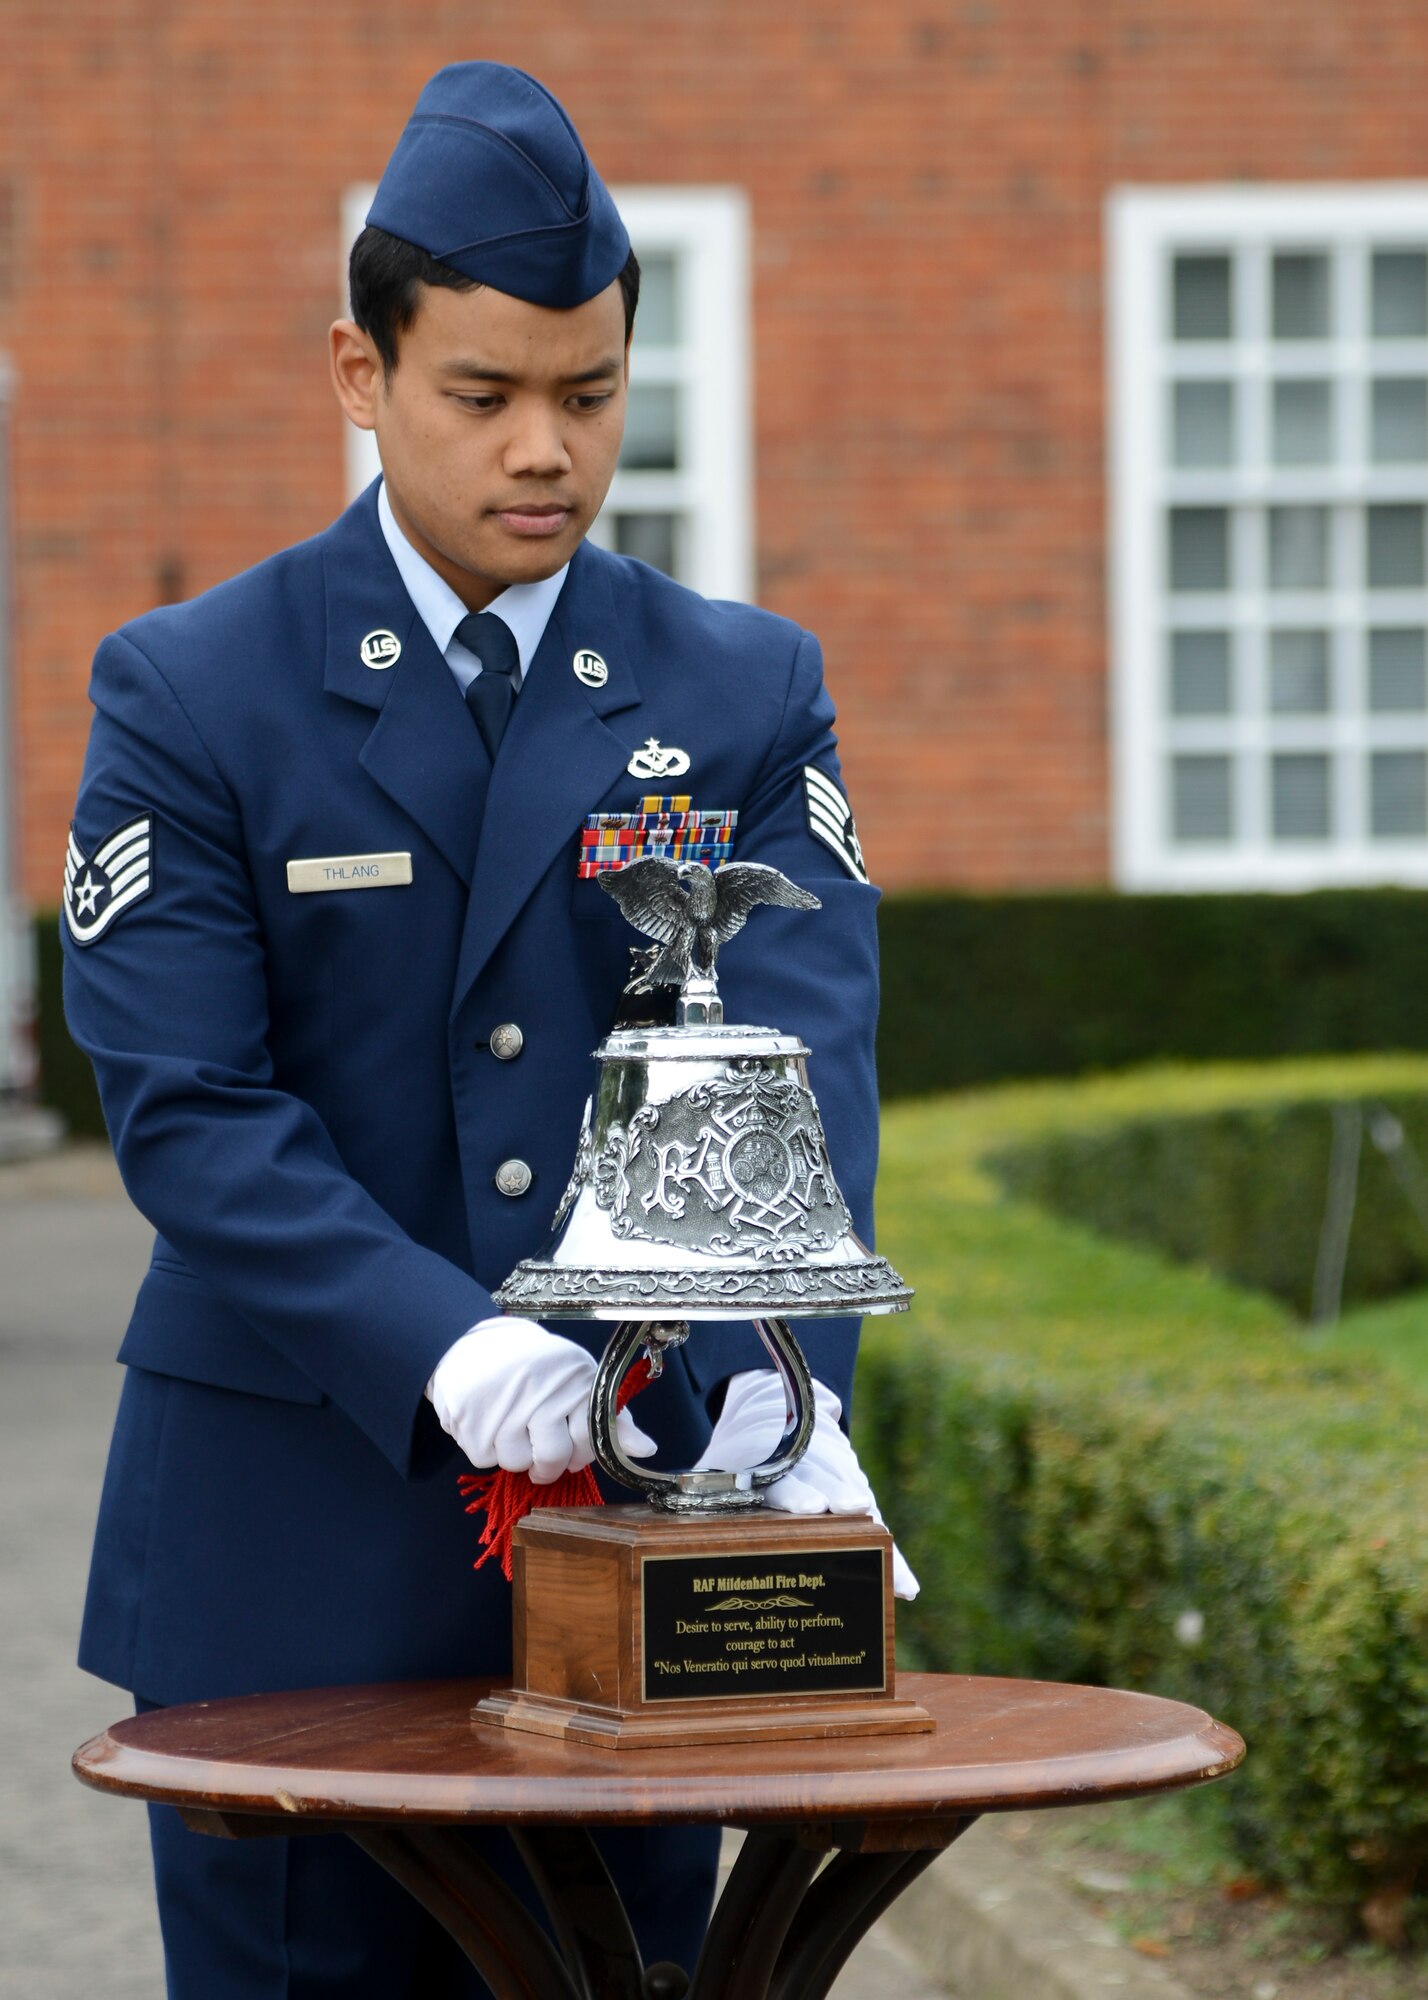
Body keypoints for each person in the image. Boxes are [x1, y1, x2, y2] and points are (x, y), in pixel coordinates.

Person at [62, 60, 913, 2000]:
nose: (547, 448)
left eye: (591, 396)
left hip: (637, 1533)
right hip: (289, 1551)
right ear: (360, 376)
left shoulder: (744, 688)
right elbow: (193, 1112)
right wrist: (445, 1341)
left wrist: (774, 1381)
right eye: (485, 394)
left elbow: (799, 1064)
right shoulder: (197, 691)